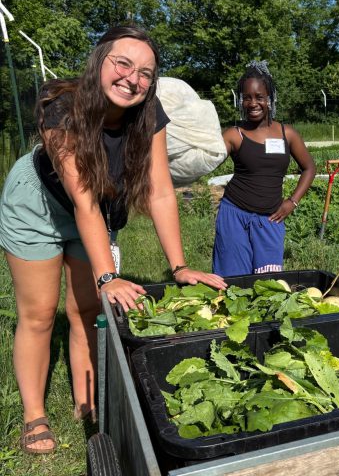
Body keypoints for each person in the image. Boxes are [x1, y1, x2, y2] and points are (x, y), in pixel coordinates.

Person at [0, 26, 226, 454]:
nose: (133, 78)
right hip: (39, 204)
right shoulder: (60, 106)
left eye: (145, 72)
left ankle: (85, 401)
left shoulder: (149, 113)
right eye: (123, 63)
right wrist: (109, 277)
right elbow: (81, 200)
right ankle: (34, 415)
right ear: (99, 60)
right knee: (40, 312)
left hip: (97, 206)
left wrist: (179, 266)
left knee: (87, 308)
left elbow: (160, 190)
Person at [212, 60, 316, 277]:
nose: (253, 103)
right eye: (247, 97)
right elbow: (208, 161)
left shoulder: (288, 134)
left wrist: (292, 202)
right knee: (233, 281)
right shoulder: (234, 134)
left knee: (268, 284)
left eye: (259, 97)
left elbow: (309, 168)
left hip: (270, 218)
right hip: (235, 215)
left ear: (270, 99)